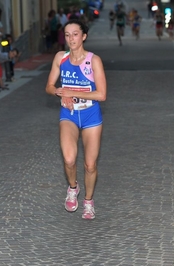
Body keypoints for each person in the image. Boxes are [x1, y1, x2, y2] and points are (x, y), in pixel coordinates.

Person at [45, 20, 107, 220]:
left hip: (90, 114)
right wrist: (60, 94)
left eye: (75, 34)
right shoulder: (60, 58)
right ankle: (73, 188)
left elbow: (102, 94)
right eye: (68, 34)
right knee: (69, 159)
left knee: (90, 165)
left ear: (84, 37)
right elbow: (49, 86)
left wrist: (72, 91)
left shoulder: (93, 61)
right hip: (69, 114)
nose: (71, 38)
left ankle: (88, 201)